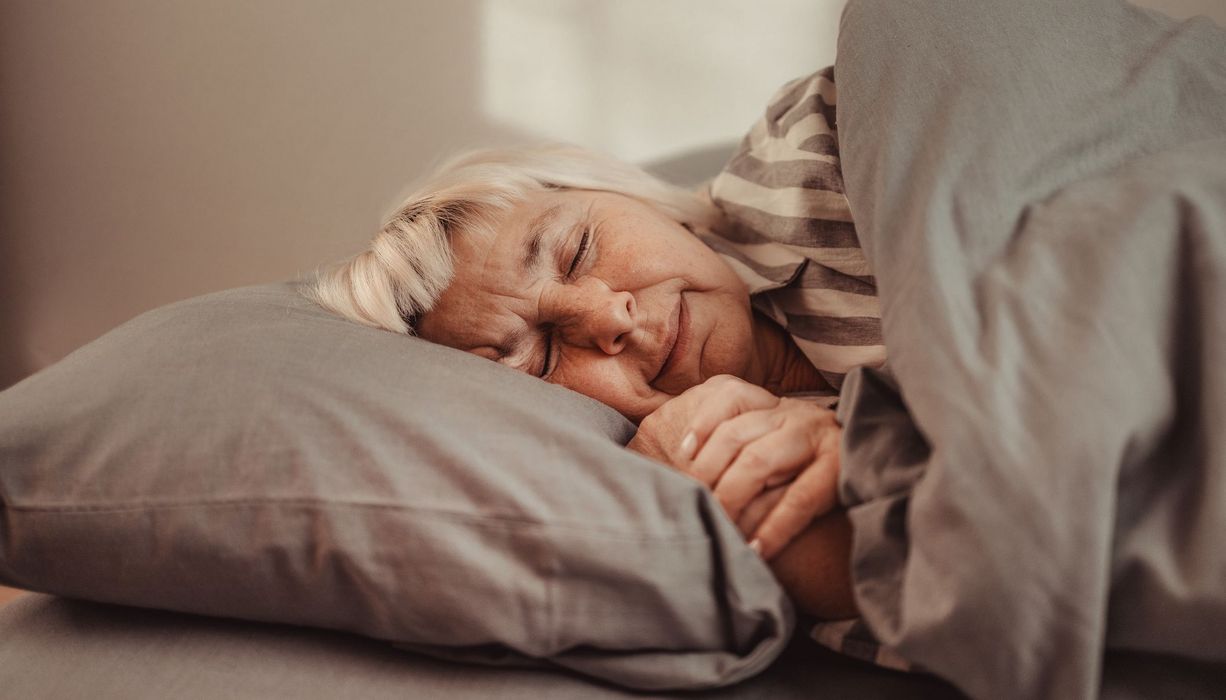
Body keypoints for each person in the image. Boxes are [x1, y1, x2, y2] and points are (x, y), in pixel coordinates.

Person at [306, 68, 885, 620]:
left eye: (578, 248)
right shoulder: (697, 467)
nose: (609, 316)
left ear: (627, 197)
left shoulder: (818, 149)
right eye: (545, 357)